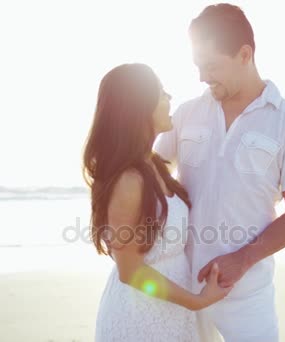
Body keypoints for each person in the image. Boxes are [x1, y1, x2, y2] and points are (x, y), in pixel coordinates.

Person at [154, 4, 285, 341]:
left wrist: (242, 260)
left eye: (211, 66)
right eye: (198, 66)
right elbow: (149, 174)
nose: (202, 77)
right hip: (182, 284)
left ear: (245, 54)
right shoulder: (186, 113)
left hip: (246, 292)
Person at [83, 63, 233, 342]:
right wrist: (196, 301)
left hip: (175, 317)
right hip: (138, 322)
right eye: (161, 93)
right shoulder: (128, 180)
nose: (169, 98)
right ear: (139, 107)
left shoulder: (153, 165)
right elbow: (131, 272)